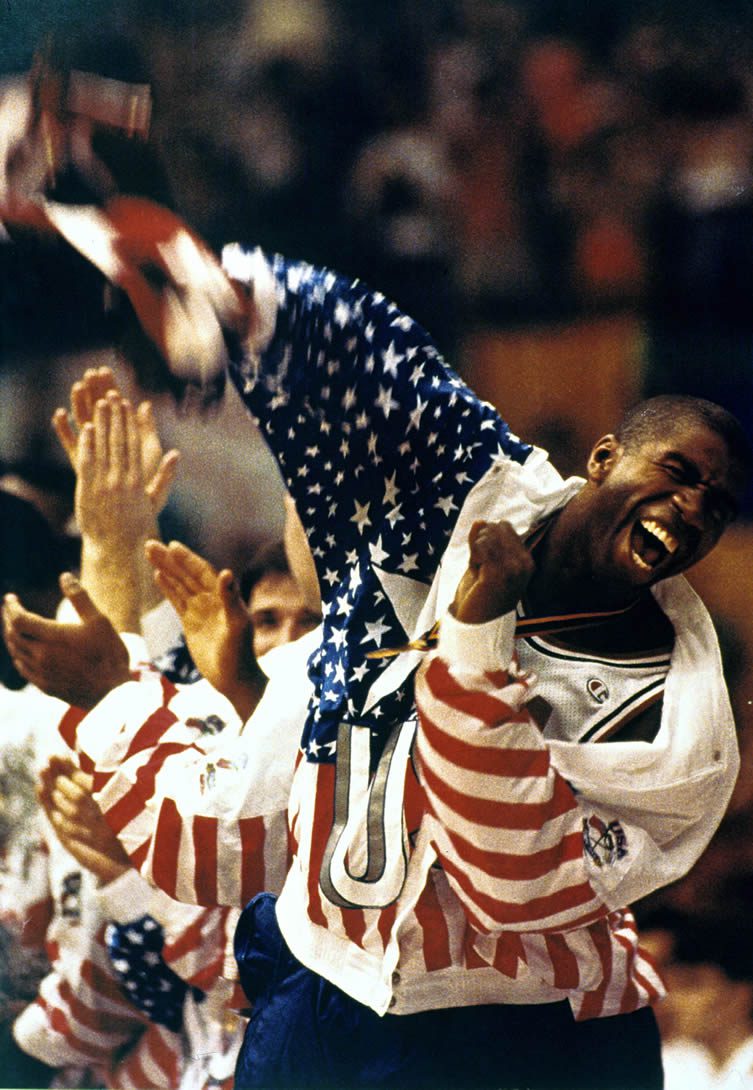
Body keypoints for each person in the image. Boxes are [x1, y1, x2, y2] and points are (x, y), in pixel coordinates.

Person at [1, 183, 750, 1089]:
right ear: (601, 458)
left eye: (715, 505)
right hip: (318, 997)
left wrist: (475, 637)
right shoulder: (466, 490)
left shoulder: (679, 723)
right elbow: (383, 358)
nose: (690, 508)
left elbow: (506, 880)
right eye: (674, 473)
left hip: (522, 1036)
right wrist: (222, 289)